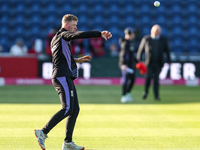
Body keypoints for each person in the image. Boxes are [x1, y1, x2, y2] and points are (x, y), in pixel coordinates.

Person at [34, 14, 112, 150]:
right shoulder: (64, 35)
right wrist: (100, 33)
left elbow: (61, 57)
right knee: (68, 108)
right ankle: (43, 132)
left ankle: (68, 142)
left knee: (75, 109)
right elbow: (81, 35)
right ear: (66, 25)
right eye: (74, 25)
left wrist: (77, 59)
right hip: (61, 76)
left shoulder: (56, 38)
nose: (76, 28)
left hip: (65, 75)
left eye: (76, 25)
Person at [137, 24, 171, 100]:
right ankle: (145, 92)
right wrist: (138, 60)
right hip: (148, 64)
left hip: (158, 63)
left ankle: (156, 96)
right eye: (155, 31)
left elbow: (167, 51)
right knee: (148, 78)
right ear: (151, 31)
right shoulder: (146, 39)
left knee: (156, 80)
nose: (157, 32)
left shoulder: (163, 40)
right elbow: (140, 50)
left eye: (158, 31)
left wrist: (169, 61)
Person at [119, 27, 139, 103]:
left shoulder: (132, 43)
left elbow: (132, 55)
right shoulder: (125, 43)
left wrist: (137, 62)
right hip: (125, 66)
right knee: (125, 80)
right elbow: (122, 55)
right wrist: (123, 64)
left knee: (132, 80)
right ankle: (123, 96)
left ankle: (128, 93)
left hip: (131, 65)